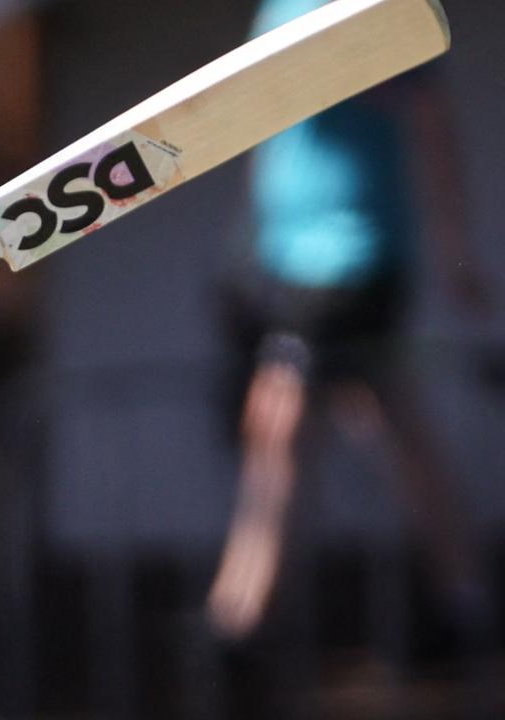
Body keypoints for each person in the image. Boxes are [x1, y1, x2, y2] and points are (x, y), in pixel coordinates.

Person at [206, 0, 488, 643]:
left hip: (352, 257)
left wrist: (453, 250)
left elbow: (430, 121)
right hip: (291, 263)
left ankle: (238, 618)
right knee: (384, 419)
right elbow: (256, 133)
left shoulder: (375, 7)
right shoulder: (279, 10)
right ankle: (464, 592)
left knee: (280, 424)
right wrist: (245, 251)